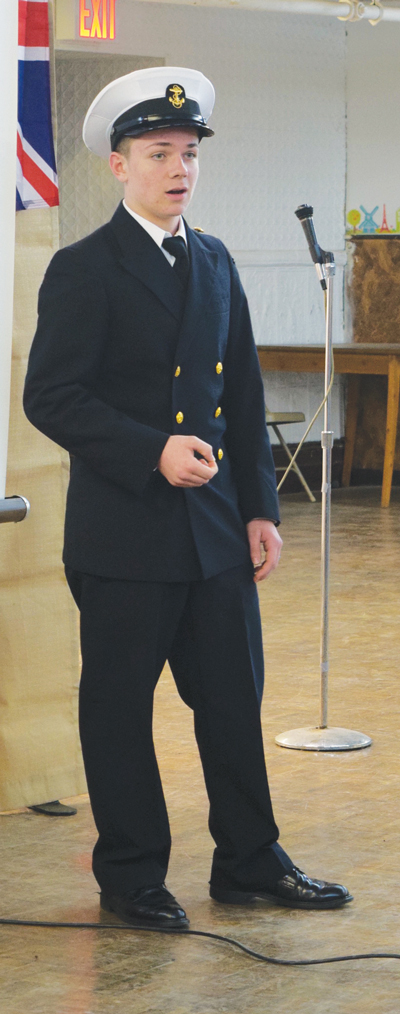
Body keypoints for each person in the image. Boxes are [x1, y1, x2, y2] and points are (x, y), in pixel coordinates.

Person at [24, 66, 351, 929]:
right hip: (124, 534)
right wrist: (151, 450)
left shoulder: (212, 259)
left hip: (213, 532)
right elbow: (50, 396)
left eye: (189, 153)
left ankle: (249, 860)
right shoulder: (84, 269)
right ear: (120, 165)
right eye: (158, 152)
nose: (178, 168)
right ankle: (132, 875)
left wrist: (260, 509)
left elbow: (240, 392)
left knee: (235, 702)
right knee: (120, 711)